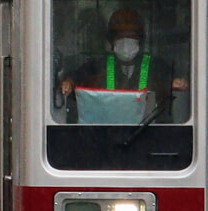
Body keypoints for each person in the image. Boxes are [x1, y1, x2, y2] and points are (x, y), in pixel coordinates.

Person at [59, 8, 187, 124]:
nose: (126, 43)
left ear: (140, 40)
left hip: (146, 136)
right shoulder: (98, 66)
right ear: (111, 40)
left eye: (132, 37)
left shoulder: (156, 66)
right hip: (104, 136)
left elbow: (173, 85)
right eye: (120, 37)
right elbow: (76, 79)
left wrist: (174, 83)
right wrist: (69, 83)